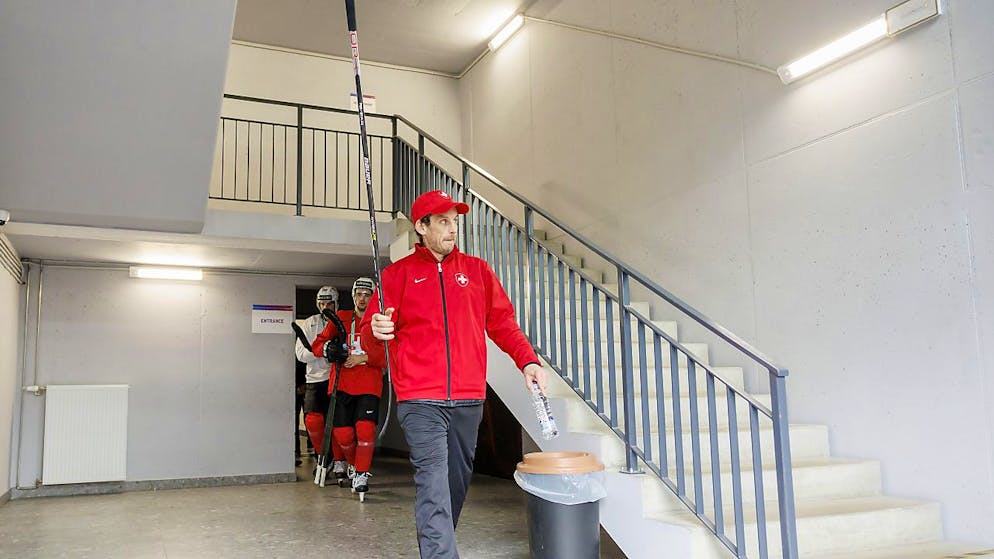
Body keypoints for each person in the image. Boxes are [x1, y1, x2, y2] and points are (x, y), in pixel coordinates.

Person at [360, 190, 548, 558]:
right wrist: (374, 330)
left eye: (455, 222)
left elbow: (503, 323)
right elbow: (372, 345)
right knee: (433, 485)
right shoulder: (396, 276)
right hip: (419, 399)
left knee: (454, 487)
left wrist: (527, 361)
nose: (452, 229)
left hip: (467, 399)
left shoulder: (477, 271)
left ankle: (434, 546)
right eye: (443, 221)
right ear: (421, 226)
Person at [311, 277, 383, 499]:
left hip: (369, 384)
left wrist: (363, 359)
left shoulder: (379, 321)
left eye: (367, 294)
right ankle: (353, 464)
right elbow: (317, 345)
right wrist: (329, 350)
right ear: (353, 296)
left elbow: (391, 355)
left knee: (365, 429)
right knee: (343, 434)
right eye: (359, 294)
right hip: (342, 384)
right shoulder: (341, 318)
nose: (362, 298)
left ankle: (361, 474)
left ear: (373, 297)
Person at [293, 286, 342, 468]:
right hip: (314, 380)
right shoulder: (309, 323)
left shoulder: (343, 321)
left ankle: (339, 461)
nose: (325, 307)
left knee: (338, 424)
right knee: (313, 422)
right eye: (322, 303)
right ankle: (323, 456)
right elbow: (300, 354)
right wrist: (323, 351)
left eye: (329, 303)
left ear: (336, 303)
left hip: (337, 379)